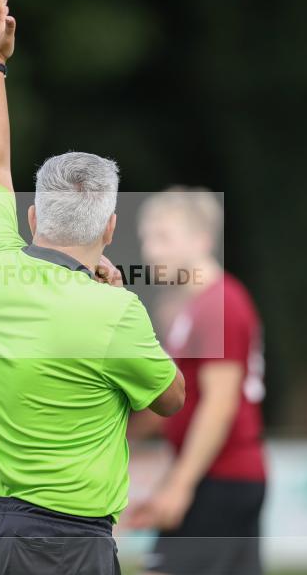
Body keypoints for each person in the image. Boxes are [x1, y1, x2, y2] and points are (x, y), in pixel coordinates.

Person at [0, 0, 185, 575]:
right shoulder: (116, 313)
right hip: (73, 541)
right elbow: (171, 399)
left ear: (32, 217)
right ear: (110, 228)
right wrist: (119, 301)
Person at [128, 188, 267, 575]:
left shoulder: (219, 303)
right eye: (146, 237)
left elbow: (219, 405)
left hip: (221, 479)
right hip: (221, 477)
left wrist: (179, 484)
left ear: (202, 240)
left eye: (163, 237)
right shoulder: (191, 307)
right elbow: (178, 400)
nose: (150, 250)